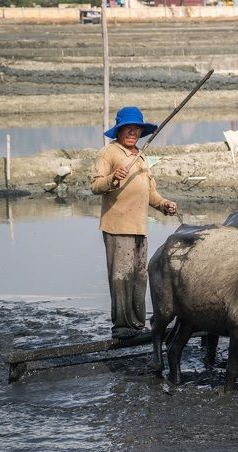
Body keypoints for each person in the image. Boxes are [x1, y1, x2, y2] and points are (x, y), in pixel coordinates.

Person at [90, 106, 177, 339]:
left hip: (139, 227)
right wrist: (112, 178)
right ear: (119, 131)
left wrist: (164, 204)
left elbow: (150, 192)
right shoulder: (109, 153)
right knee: (121, 277)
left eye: (136, 129)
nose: (132, 132)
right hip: (117, 227)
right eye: (127, 128)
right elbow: (95, 185)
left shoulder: (141, 156)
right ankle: (121, 327)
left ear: (141, 131)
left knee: (139, 277)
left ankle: (137, 325)